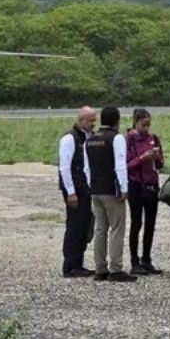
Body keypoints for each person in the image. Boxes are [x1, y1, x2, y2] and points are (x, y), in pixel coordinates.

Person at [85, 106, 134, 283]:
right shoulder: (116, 138)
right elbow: (120, 165)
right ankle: (116, 268)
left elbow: (86, 167)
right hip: (112, 190)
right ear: (117, 121)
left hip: (96, 189)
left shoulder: (90, 139)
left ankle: (100, 267)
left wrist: (91, 186)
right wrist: (124, 188)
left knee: (100, 229)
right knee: (117, 229)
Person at [126, 108, 165, 276]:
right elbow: (126, 165)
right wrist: (142, 159)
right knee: (136, 223)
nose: (146, 128)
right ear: (135, 122)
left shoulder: (153, 138)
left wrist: (157, 158)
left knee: (150, 224)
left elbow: (162, 164)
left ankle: (146, 259)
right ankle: (134, 261)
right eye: (143, 125)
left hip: (151, 185)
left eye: (148, 125)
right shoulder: (129, 140)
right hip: (136, 185)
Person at [58, 106, 96, 277]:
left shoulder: (89, 138)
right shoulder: (70, 139)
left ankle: (78, 262)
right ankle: (69, 265)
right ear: (81, 120)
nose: (93, 124)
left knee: (84, 227)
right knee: (74, 227)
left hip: (86, 189)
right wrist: (70, 191)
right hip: (76, 190)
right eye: (90, 120)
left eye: (94, 120)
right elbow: (64, 167)